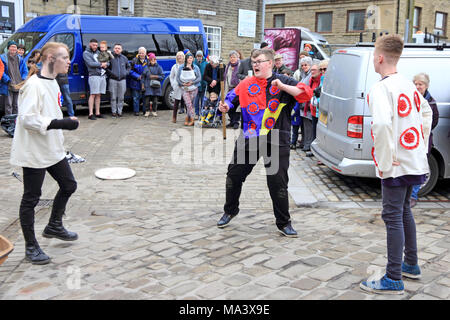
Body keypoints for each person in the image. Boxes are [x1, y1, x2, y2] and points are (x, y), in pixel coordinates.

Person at [360, 34, 432, 295]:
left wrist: (384, 159)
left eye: (373, 56)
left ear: (379, 57)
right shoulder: (407, 83)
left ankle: (393, 277)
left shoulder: (382, 87)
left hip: (396, 162)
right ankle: (410, 264)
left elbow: (380, 125)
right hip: (412, 159)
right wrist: (418, 144)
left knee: (392, 215)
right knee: (403, 212)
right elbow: (427, 112)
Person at [216, 48, 313, 237]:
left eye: (259, 61)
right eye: (253, 62)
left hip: (276, 137)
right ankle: (230, 210)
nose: (255, 65)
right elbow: (230, 99)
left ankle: (283, 222)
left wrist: (283, 87)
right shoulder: (246, 83)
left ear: (270, 63)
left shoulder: (283, 81)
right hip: (250, 136)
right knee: (234, 175)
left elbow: (305, 94)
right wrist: (225, 106)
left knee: (277, 182)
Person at [10, 42, 80, 265]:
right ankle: (31, 247)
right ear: (51, 58)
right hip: (34, 151)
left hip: (52, 149)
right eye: (64, 57)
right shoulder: (34, 85)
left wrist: (60, 131)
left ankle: (54, 225)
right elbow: (28, 119)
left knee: (69, 185)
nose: (69, 61)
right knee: (31, 197)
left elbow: (50, 111)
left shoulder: (54, 83)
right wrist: (61, 123)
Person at [410, 73, 439, 207]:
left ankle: (413, 196)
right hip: (410, 140)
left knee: (419, 168)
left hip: (424, 141)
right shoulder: (410, 99)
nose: (417, 86)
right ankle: (406, 195)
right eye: (415, 84)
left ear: (426, 86)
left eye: (420, 84)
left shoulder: (431, 102)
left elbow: (434, 121)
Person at [1, 41, 29, 115]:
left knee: (16, 105)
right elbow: (1, 71)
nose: (13, 48)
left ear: (17, 49)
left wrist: (23, 79)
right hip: (8, 84)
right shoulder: (3, 58)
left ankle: (15, 121)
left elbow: (25, 71)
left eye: (15, 47)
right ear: (8, 48)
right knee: (8, 105)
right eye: (11, 47)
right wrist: (7, 80)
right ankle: (9, 122)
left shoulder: (20, 59)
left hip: (18, 85)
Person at [83, 39, 108, 120]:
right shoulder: (86, 53)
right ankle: (90, 114)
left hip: (102, 75)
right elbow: (90, 64)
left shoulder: (98, 52)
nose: (95, 47)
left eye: (96, 45)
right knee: (93, 94)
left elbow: (107, 61)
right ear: (90, 44)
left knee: (99, 94)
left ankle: (97, 113)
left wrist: (106, 64)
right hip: (93, 76)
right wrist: (101, 64)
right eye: (94, 45)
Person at [302, 62, 321, 155]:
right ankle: (312, 148)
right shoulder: (311, 80)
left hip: (319, 110)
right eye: (311, 70)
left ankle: (315, 150)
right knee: (312, 130)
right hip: (311, 109)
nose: (312, 72)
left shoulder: (320, 80)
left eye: (314, 70)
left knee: (317, 131)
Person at [177, 52, 201, 126]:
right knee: (188, 103)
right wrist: (182, 83)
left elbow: (199, 78)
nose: (190, 59)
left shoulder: (196, 67)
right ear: (186, 59)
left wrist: (192, 82)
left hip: (193, 88)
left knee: (190, 104)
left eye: (191, 58)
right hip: (184, 88)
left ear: (193, 59)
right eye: (188, 58)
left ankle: (188, 117)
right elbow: (177, 78)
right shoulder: (181, 67)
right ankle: (192, 119)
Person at [107, 43, 130, 118]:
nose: (117, 49)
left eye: (119, 48)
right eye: (116, 48)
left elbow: (128, 67)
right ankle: (114, 112)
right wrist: (111, 73)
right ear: (113, 49)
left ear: (121, 50)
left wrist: (125, 73)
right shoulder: (110, 57)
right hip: (113, 80)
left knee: (121, 97)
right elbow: (106, 67)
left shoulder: (124, 58)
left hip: (122, 80)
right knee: (113, 97)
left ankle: (120, 112)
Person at [141, 53, 164, 117]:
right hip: (147, 85)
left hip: (156, 86)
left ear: (155, 60)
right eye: (151, 59)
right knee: (147, 100)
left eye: (154, 59)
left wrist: (155, 76)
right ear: (149, 60)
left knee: (155, 100)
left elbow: (162, 76)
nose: (153, 61)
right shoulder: (146, 67)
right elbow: (143, 77)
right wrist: (142, 85)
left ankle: (154, 111)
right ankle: (147, 111)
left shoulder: (159, 67)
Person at [129, 47, 149, 116]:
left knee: (145, 98)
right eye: (140, 53)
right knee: (135, 98)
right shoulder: (134, 60)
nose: (141, 54)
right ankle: (136, 111)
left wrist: (145, 76)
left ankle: (144, 111)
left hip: (145, 82)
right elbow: (130, 71)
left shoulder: (148, 61)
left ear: (145, 53)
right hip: (135, 82)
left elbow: (151, 70)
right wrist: (137, 76)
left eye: (143, 53)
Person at [224, 51, 241, 129]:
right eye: (231, 57)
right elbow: (226, 78)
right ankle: (232, 121)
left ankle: (236, 122)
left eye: (234, 57)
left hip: (238, 89)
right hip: (229, 89)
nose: (232, 59)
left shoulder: (240, 66)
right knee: (229, 105)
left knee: (236, 106)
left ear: (238, 58)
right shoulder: (228, 66)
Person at [169, 51, 185, 123]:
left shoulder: (186, 66)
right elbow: (171, 77)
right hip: (177, 86)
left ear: (183, 57)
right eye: (178, 56)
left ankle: (188, 118)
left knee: (187, 103)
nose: (179, 57)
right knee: (176, 102)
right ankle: (174, 117)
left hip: (185, 86)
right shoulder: (174, 67)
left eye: (181, 56)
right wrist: (173, 84)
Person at [194, 50, 208, 119]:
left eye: (200, 56)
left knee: (203, 100)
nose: (199, 57)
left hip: (204, 84)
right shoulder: (194, 63)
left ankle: (202, 113)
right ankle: (197, 113)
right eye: (198, 56)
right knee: (196, 100)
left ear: (202, 56)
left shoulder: (205, 63)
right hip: (196, 85)